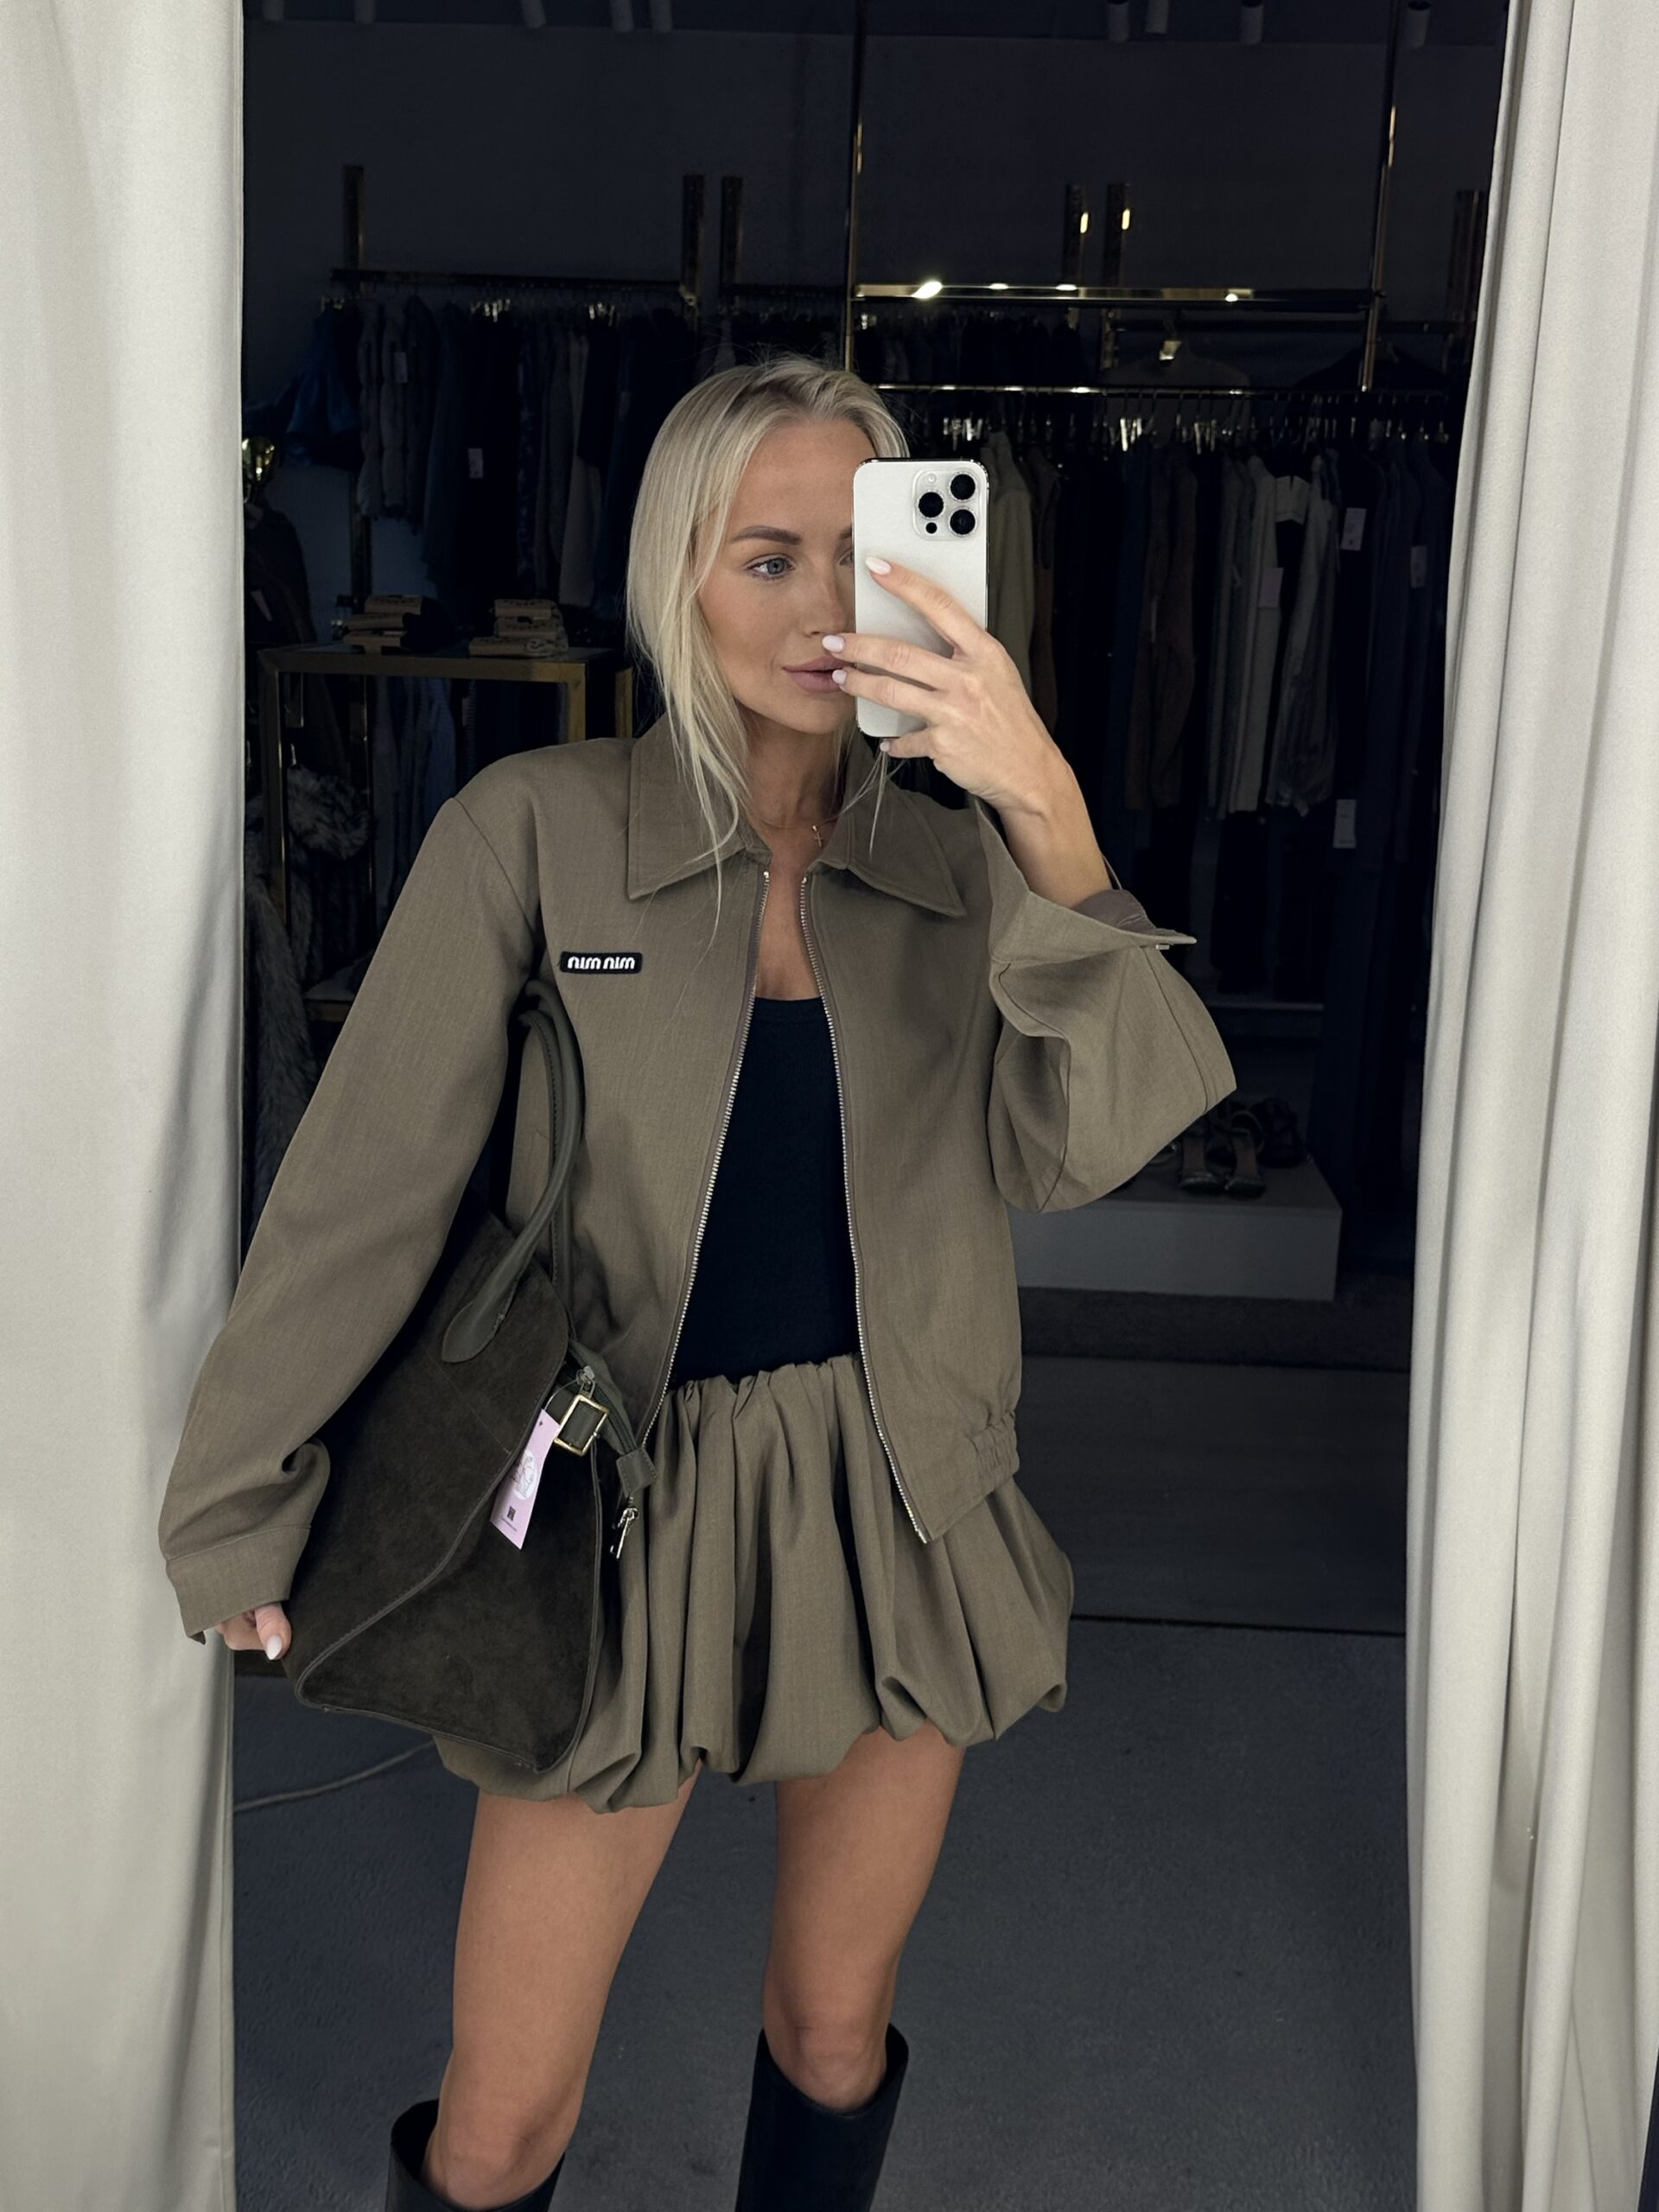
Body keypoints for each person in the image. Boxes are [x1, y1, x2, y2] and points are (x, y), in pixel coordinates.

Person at [159, 353, 1236, 2211]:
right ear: (679, 571)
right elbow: (365, 1193)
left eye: (859, 553)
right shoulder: (534, 827)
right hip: (612, 1507)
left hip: (897, 1504)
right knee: (502, 2120)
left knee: (834, 2028)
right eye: (767, 556)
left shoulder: (963, 866)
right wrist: (237, 1496)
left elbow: (1092, 1142)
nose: (822, 609)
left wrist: (1048, 810)